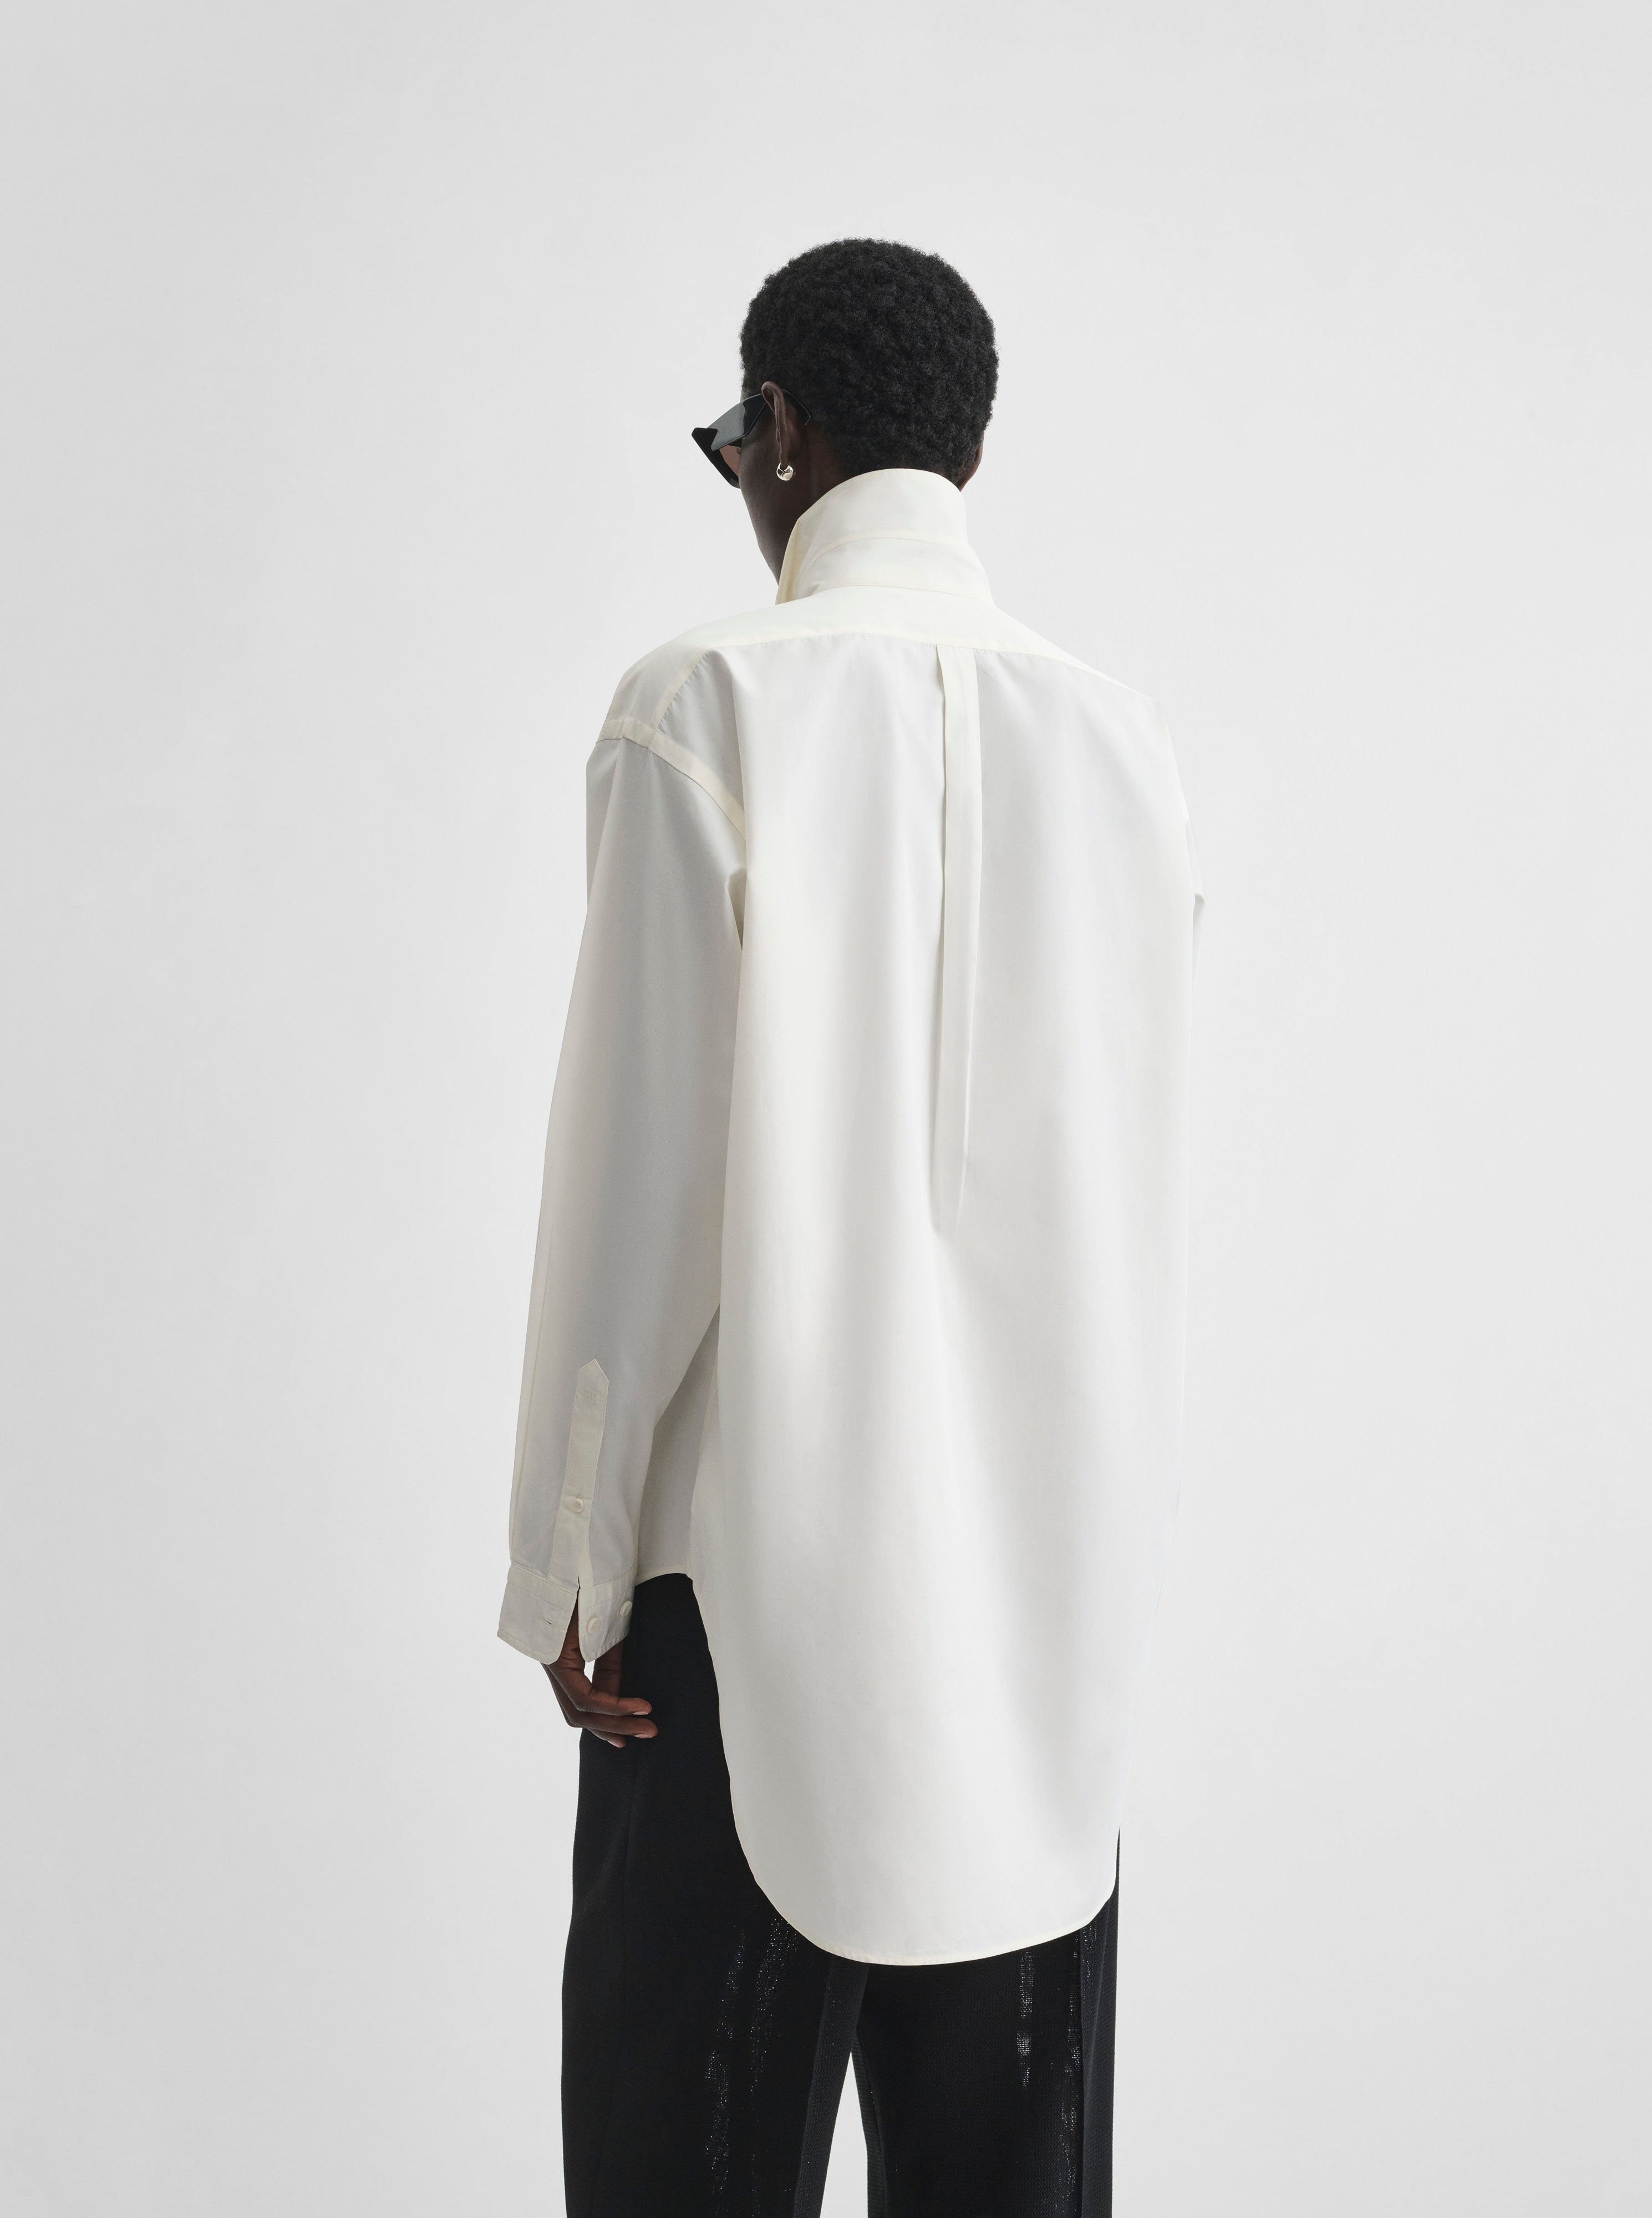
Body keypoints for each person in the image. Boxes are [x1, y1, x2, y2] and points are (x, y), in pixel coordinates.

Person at [498, 238, 1203, 2216]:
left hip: (738, 1598)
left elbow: (637, 1170)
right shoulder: (1123, 742)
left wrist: (569, 1558)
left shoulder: (707, 701)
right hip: (1040, 1604)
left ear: (780, 431)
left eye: (736, 440)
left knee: (681, 2167)